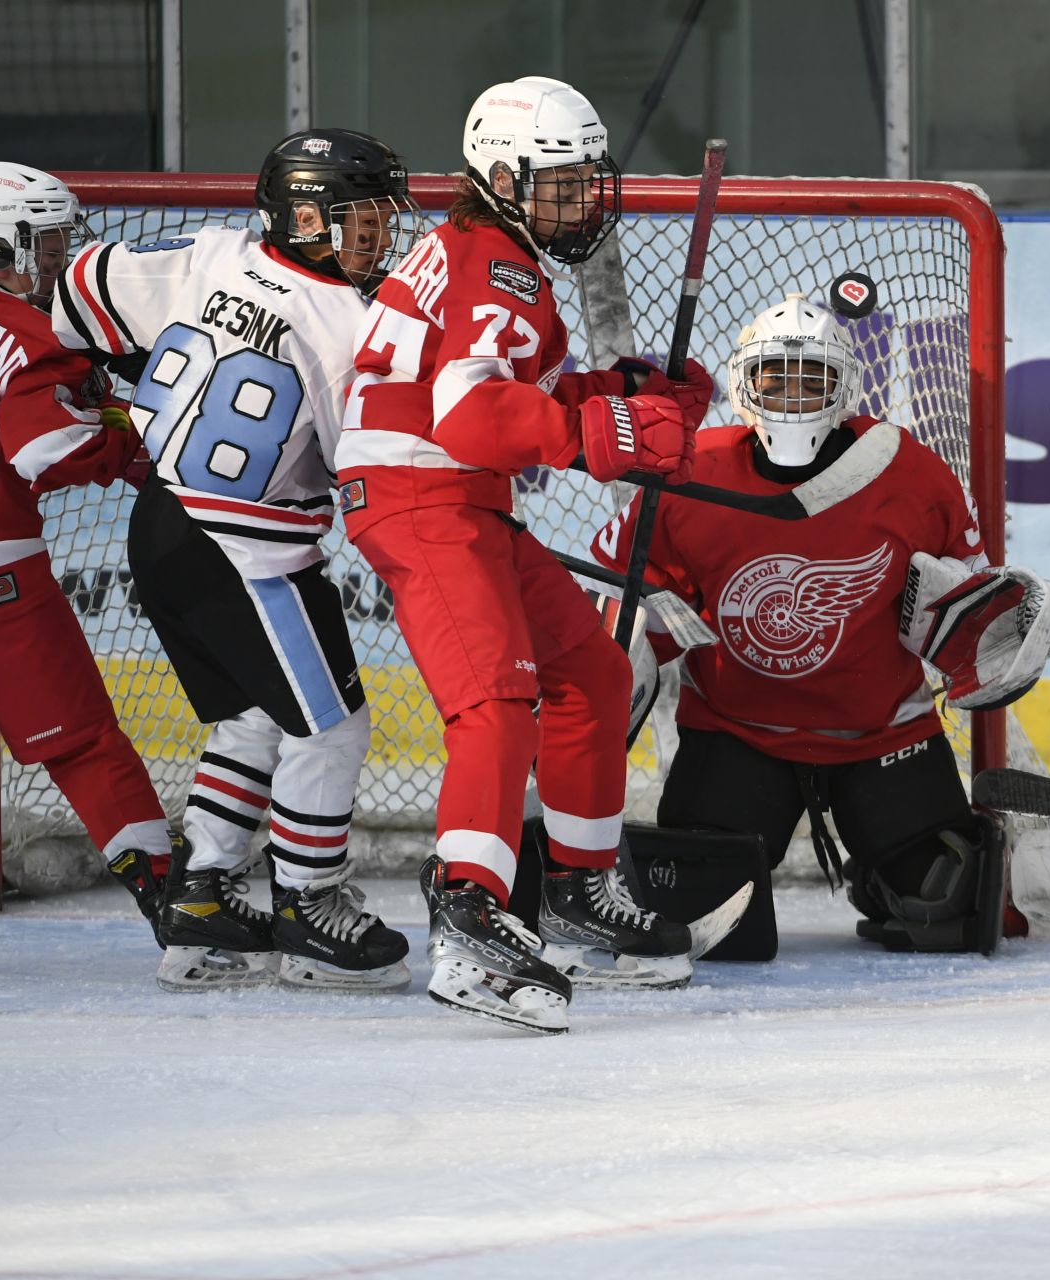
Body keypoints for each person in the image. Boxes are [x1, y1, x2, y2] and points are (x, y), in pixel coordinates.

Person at [337, 77, 713, 1033]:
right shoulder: (495, 262)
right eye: (560, 184)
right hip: (427, 497)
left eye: (590, 180)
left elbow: (498, 384)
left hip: (457, 498)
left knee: (587, 670)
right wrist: (609, 429)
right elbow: (470, 415)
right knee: (496, 701)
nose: (582, 200)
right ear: (500, 177)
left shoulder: (487, 251)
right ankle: (469, 913)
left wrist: (615, 388)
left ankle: (577, 892)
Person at [590, 283, 1050, 956]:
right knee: (701, 921)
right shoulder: (689, 474)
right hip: (739, 734)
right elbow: (610, 598)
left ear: (846, 385)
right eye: (776, 376)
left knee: (949, 906)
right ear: (743, 384)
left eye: (811, 377)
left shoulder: (908, 471)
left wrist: (1007, 632)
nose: (793, 394)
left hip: (881, 733)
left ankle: (884, 873)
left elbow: (970, 601)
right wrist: (613, 665)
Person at [51, 129, 416, 992]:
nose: (376, 236)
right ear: (300, 215)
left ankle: (203, 901)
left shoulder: (209, 255)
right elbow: (360, 462)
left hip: (160, 525)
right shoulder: (354, 324)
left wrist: (124, 380)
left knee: (254, 717)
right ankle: (309, 905)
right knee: (331, 726)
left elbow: (77, 292)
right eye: (357, 219)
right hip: (249, 550)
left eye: (376, 219)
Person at [0, 162, 173, 932]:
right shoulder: (36, 337)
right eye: (50, 245)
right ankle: (172, 904)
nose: (63, 261)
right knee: (86, 746)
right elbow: (58, 452)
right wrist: (134, 433)